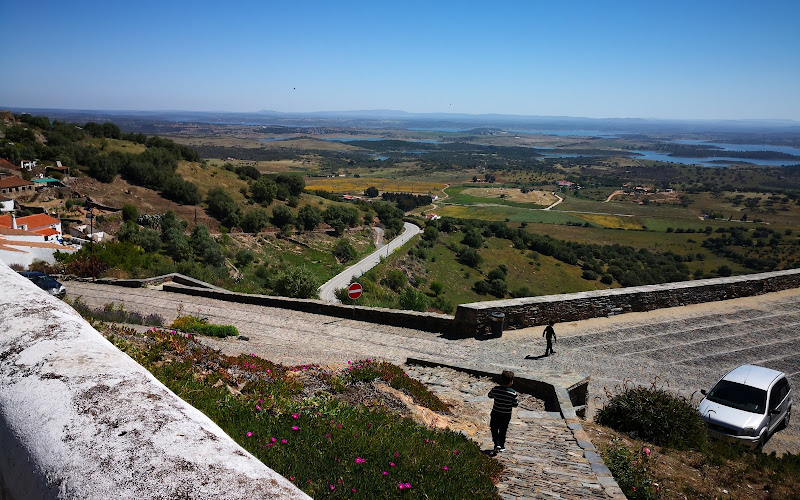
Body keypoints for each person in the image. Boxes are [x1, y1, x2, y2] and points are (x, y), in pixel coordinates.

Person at [488, 370, 518, 454]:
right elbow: (515, 404)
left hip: (495, 413)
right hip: (506, 415)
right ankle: (501, 445)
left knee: (494, 428)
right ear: (511, 382)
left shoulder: (495, 389)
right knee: (503, 430)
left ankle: (496, 443)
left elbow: (490, 395)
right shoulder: (513, 393)